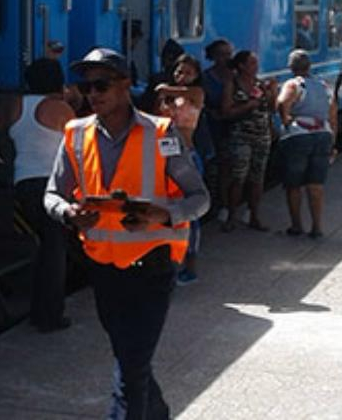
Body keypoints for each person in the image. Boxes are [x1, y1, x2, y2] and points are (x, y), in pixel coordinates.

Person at [45, 48, 209, 420]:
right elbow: (52, 193)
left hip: (153, 267)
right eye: (86, 87)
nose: (92, 94)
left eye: (101, 84)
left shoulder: (162, 132)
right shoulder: (74, 134)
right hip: (103, 269)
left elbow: (200, 198)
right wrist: (68, 213)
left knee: (131, 367)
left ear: (124, 85)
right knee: (130, 357)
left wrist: (161, 215)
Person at [0, 59, 76, 332]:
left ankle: (39, 309)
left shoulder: (15, 105)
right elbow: (83, 146)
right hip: (53, 186)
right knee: (54, 251)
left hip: (23, 185)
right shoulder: (61, 109)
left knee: (44, 248)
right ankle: (49, 316)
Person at [154, 54, 210, 286]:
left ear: (196, 75)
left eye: (187, 72)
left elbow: (166, 90)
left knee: (190, 213)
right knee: (169, 210)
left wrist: (164, 89)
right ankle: (172, 259)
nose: (181, 76)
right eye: (178, 71)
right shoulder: (169, 97)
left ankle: (191, 266)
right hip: (167, 156)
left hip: (188, 155)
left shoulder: (195, 94)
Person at [274, 50, 338, 238]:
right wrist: (333, 142)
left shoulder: (293, 84)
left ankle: (296, 226)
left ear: (291, 68)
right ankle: (317, 227)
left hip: (299, 137)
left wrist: (286, 121)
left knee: (294, 185)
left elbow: (282, 103)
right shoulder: (325, 86)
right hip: (323, 135)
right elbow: (333, 116)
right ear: (309, 67)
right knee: (316, 184)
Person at [220, 50, 276, 233]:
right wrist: (248, 106)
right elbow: (226, 111)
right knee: (238, 177)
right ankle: (231, 215)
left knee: (257, 177)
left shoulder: (259, 84)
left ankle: (255, 216)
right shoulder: (232, 84)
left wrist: (271, 94)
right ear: (241, 66)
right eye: (252, 63)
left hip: (262, 136)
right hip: (240, 136)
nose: (256, 66)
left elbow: (270, 109)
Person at [201, 38, 234, 222]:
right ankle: (211, 205)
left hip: (232, 127)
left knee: (228, 168)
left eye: (228, 54)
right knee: (212, 167)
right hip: (212, 127)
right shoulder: (206, 78)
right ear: (213, 56)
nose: (226, 58)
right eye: (222, 54)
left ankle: (225, 205)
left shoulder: (235, 76)